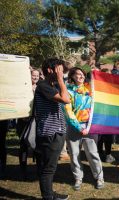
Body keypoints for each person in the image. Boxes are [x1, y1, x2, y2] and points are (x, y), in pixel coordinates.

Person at [34, 58, 70, 200]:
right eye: (59, 69)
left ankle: (49, 193)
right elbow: (66, 99)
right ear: (50, 70)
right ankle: (48, 196)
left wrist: (59, 81)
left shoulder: (51, 85)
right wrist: (61, 79)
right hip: (50, 133)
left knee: (50, 167)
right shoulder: (43, 85)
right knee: (48, 168)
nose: (61, 72)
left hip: (57, 132)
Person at [64, 67, 104, 191]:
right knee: (74, 154)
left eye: (82, 74)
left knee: (92, 153)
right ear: (72, 76)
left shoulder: (89, 88)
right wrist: (78, 127)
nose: (81, 76)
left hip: (89, 126)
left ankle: (99, 177)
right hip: (73, 127)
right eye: (78, 74)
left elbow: (99, 87)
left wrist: (95, 73)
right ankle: (78, 178)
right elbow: (68, 111)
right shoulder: (67, 91)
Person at [17, 68, 42, 179]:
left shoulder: (40, 88)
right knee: (23, 145)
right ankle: (23, 170)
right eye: (33, 75)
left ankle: (39, 170)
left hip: (36, 120)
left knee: (37, 144)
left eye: (37, 75)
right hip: (24, 120)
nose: (35, 77)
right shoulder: (23, 88)